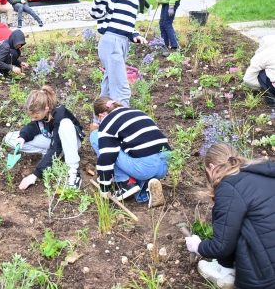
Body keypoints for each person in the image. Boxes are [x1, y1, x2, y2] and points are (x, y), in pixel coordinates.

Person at [185, 143, 275, 289]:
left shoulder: (229, 188)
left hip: (264, 278)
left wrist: (198, 246)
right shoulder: (264, 172)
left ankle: (226, 272)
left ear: (212, 167)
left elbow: (221, 247)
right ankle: (225, 267)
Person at [89, 0, 148, 111]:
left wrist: (134, 34)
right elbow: (95, 14)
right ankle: (124, 125)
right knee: (122, 91)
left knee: (108, 89)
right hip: (111, 42)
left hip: (123, 42)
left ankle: (99, 123)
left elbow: (127, 21)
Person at [90, 96, 169, 207]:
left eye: (98, 119)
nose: (99, 122)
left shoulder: (108, 122)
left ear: (102, 115)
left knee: (95, 136)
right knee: (132, 150)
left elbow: (107, 158)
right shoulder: (136, 112)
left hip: (145, 167)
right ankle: (147, 187)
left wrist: (104, 189)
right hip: (163, 165)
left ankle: (127, 183)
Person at [4, 86, 85, 190]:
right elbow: (34, 126)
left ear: (46, 109)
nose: (33, 119)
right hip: (54, 140)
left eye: (35, 117)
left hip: (70, 144)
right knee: (10, 137)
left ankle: (73, 172)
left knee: (65, 124)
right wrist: (22, 137)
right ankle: (50, 155)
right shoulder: (42, 110)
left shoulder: (60, 115)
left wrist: (35, 175)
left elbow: (57, 146)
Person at [242, 35, 275, 106]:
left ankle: (271, 99)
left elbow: (248, 79)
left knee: (260, 73)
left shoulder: (262, 55)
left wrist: (261, 87)